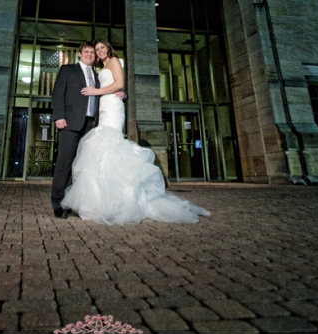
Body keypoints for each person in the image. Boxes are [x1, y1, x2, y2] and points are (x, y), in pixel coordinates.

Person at [61, 39, 211, 225]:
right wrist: (111, 93)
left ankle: (119, 200)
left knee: (110, 146)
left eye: (101, 48)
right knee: (100, 151)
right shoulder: (99, 67)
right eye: (96, 49)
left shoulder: (114, 60)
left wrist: (100, 92)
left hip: (113, 110)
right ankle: (100, 200)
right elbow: (113, 88)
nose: (99, 51)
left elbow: (118, 84)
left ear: (108, 48)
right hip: (103, 108)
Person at [50, 41, 125, 219]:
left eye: (93, 52)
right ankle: (58, 203)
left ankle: (70, 201)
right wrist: (59, 116)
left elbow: (111, 86)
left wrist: (124, 93)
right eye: (87, 51)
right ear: (79, 54)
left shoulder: (98, 75)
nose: (91, 54)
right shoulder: (68, 70)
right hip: (70, 124)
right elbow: (58, 93)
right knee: (64, 163)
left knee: (79, 166)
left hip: (91, 125)